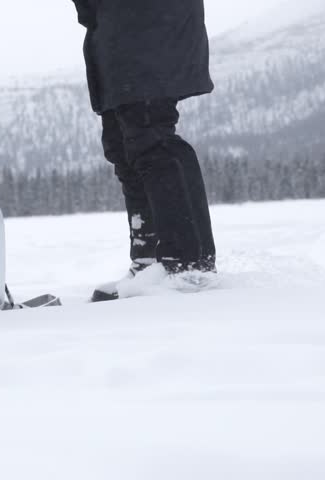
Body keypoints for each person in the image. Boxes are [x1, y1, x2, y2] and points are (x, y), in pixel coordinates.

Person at [72, 0, 218, 301]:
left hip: (149, 25)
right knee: (122, 145)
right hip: (115, 28)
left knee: (150, 135)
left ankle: (188, 265)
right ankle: (148, 262)